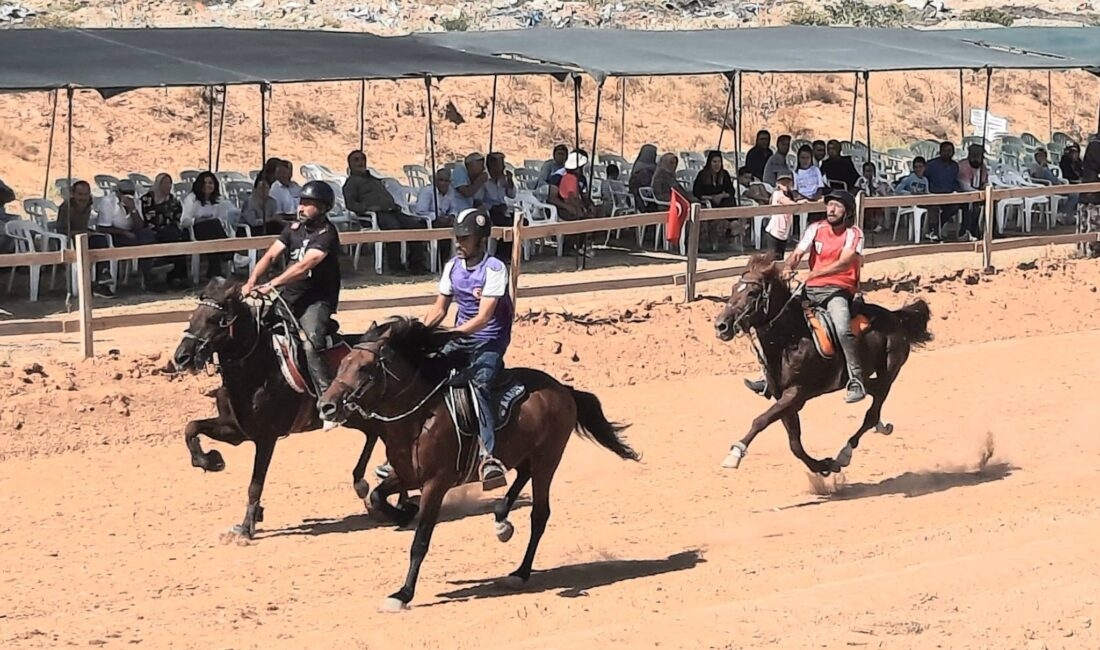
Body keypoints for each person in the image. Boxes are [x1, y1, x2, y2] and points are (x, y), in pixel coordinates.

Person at [745, 190, 866, 404]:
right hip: (811, 288)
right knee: (777, 320)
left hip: (838, 289)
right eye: (830, 205)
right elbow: (798, 252)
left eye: (837, 206)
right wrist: (789, 266)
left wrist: (816, 273)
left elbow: (846, 261)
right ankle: (768, 376)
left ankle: (856, 378)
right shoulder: (816, 228)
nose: (831, 209)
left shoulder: (853, 233)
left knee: (842, 328)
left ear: (847, 212)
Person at [423, 208, 515, 491]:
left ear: (480, 239)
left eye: (466, 238)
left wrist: (450, 334)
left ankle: (489, 456)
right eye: (458, 238)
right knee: (425, 373)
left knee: (480, 385)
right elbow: (440, 308)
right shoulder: (452, 267)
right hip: (461, 337)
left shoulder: (495, 269)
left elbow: (484, 317)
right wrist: (423, 332)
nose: (460, 243)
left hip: (490, 340)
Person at [242, 180, 342, 420]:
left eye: (309, 204)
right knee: (254, 330)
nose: (301, 208)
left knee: (309, 343)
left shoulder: (327, 234)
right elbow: (271, 254)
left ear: (323, 208)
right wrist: (252, 280)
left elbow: (305, 265)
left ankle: (327, 401)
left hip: (315, 301)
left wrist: (272, 284)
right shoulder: (293, 229)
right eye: (301, 202)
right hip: (289, 296)